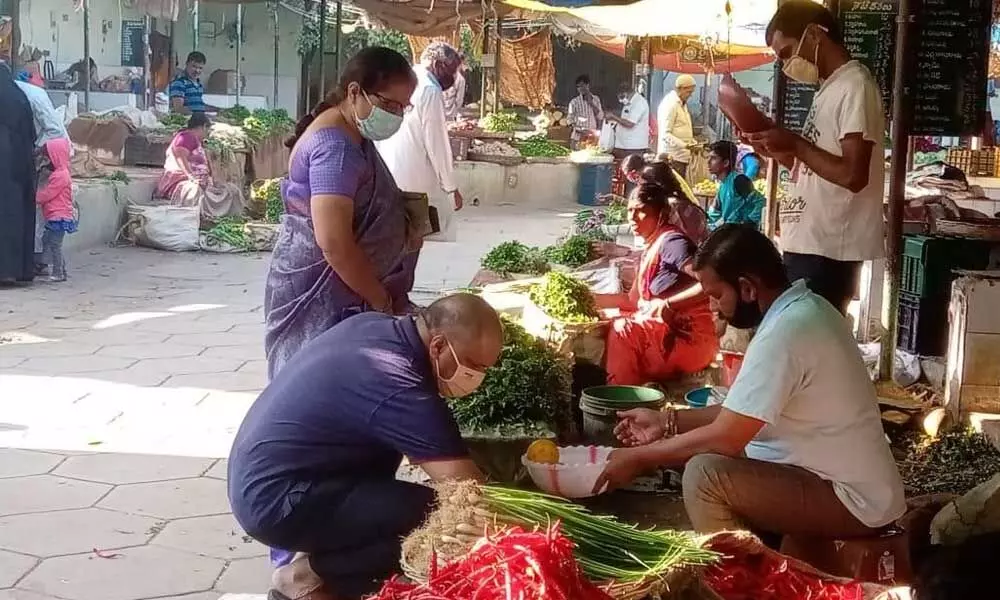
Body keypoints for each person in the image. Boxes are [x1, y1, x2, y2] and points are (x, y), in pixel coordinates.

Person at [594, 225, 906, 542]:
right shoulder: (801, 310)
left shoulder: (788, 331)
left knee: (705, 476)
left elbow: (726, 437)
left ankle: (743, 582)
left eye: (716, 295)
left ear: (746, 288)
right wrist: (667, 420)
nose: (712, 307)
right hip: (842, 486)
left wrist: (638, 458)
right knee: (713, 455)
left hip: (854, 501)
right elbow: (738, 412)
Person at [230, 293, 502, 600]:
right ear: (438, 346)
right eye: (472, 365)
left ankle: (332, 569)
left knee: (403, 502)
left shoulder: (377, 328)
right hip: (278, 500)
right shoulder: (397, 378)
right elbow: (466, 487)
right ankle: (302, 576)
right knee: (437, 518)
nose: (477, 378)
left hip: (274, 478)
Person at [266, 46, 418, 382]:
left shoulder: (351, 133)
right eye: (390, 104)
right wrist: (378, 298)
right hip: (324, 294)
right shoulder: (334, 149)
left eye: (403, 108)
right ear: (354, 92)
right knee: (315, 384)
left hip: (346, 290)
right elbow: (334, 243)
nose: (396, 115)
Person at [747, 0, 885, 314]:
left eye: (786, 52)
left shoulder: (855, 86)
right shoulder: (829, 89)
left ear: (814, 35)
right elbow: (814, 168)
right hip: (808, 245)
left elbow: (853, 175)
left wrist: (795, 145)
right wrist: (775, 152)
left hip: (829, 251)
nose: (786, 65)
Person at [594, 176, 718, 386]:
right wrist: (589, 299)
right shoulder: (652, 246)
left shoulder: (673, 243)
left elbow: (711, 282)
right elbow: (632, 301)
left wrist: (669, 303)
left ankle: (621, 402)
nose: (632, 217)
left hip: (688, 338)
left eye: (640, 210)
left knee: (623, 329)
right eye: (629, 210)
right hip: (664, 331)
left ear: (661, 214)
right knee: (610, 319)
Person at [376, 41, 465, 293]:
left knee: (394, 239)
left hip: (390, 173)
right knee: (413, 239)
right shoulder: (429, 90)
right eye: (451, 70)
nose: (453, 77)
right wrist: (451, 187)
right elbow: (437, 142)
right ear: (437, 64)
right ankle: (399, 296)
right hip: (414, 179)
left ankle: (391, 294)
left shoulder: (404, 81)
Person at [15, 73, 73, 278]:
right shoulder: (20, 93)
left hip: (51, 151)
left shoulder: (33, 97)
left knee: (43, 223)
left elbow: (54, 131)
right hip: (45, 153)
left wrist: (37, 152)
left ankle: (41, 261)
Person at [155, 112, 245, 219]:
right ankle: (195, 219)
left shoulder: (196, 140)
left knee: (232, 190)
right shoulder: (186, 137)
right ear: (203, 126)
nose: (207, 134)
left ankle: (230, 217)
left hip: (201, 182)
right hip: (180, 181)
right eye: (207, 130)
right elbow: (180, 156)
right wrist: (191, 176)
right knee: (194, 190)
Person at [0, 62, 38, 285]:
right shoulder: (20, 97)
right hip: (18, 167)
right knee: (17, 215)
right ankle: (19, 270)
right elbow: (32, 133)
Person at [34, 137, 76, 282]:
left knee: (54, 245)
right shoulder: (61, 173)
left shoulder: (60, 176)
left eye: (48, 157)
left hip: (58, 217)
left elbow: (48, 193)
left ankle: (58, 272)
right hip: (56, 216)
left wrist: (34, 198)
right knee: (51, 242)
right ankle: (61, 270)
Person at [706, 140, 765, 230]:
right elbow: (715, 212)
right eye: (708, 158)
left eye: (713, 158)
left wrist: (749, 223)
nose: (708, 162)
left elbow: (761, 202)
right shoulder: (722, 185)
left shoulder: (739, 180)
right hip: (731, 233)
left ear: (726, 163)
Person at [656, 74, 698, 178]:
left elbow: (682, 127)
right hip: (672, 157)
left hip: (681, 157)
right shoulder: (670, 104)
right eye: (688, 92)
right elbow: (665, 134)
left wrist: (692, 143)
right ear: (680, 89)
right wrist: (684, 145)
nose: (690, 95)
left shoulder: (682, 103)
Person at [605, 82, 649, 158]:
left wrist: (613, 116)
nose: (621, 100)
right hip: (623, 146)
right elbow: (625, 117)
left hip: (633, 148)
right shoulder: (629, 102)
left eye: (622, 97)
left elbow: (630, 123)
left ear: (627, 93)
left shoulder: (639, 103)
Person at [568, 74, 604, 149]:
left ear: (587, 85)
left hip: (592, 135)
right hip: (578, 136)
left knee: (591, 156)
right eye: (578, 87)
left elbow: (600, 116)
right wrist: (580, 130)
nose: (580, 88)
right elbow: (570, 120)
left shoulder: (596, 99)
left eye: (582, 85)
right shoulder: (574, 102)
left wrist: (591, 103)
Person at [441, 53, 466, 120]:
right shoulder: (460, 80)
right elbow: (459, 100)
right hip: (448, 112)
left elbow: (459, 100)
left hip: (445, 112)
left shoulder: (460, 80)